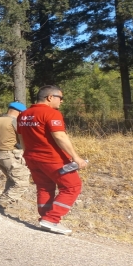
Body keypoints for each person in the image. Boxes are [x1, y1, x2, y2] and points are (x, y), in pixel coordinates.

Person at [17, 85, 88, 235]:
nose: (61, 102)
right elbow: (60, 136)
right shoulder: (52, 113)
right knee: (72, 186)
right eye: (60, 98)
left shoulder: (23, 115)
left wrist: (27, 153)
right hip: (52, 159)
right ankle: (52, 219)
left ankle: (45, 218)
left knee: (44, 187)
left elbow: (21, 138)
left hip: (32, 157)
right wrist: (76, 158)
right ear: (50, 97)